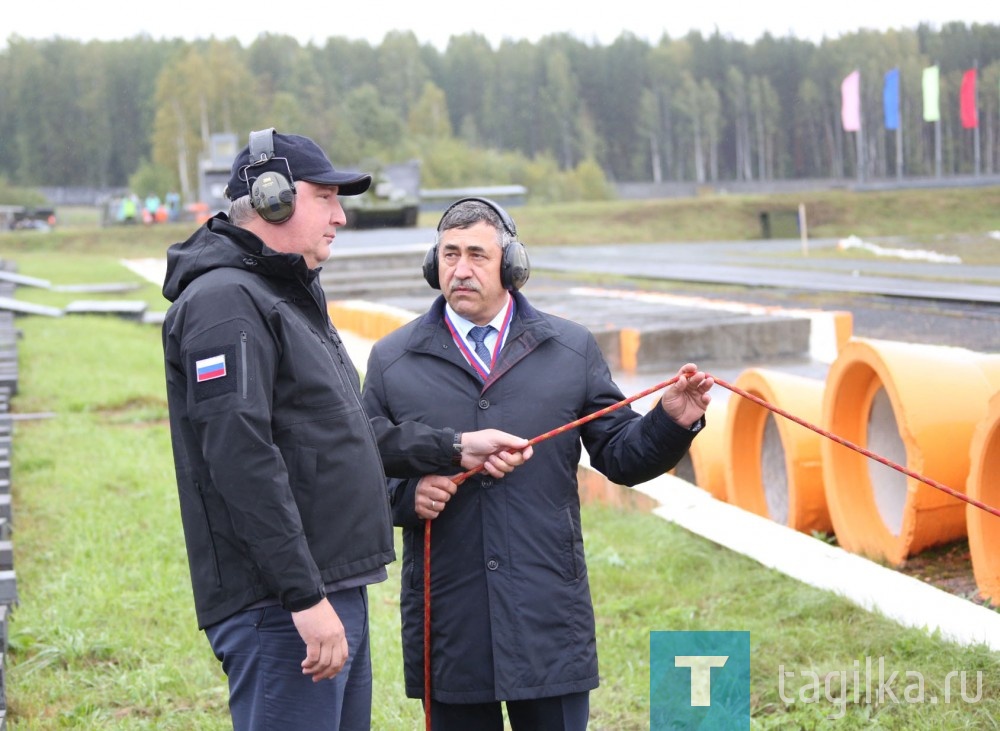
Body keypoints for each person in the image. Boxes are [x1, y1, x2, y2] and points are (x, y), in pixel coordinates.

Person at [161, 130, 530, 731]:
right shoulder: (225, 305)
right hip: (282, 604)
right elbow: (241, 462)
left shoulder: (282, 292)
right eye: (326, 197)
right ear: (273, 198)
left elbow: (341, 431)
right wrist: (303, 600)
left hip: (324, 587)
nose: (340, 215)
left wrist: (456, 446)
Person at [361, 197, 715, 730]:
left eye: (477, 255)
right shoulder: (392, 361)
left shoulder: (569, 349)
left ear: (511, 264)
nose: (460, 269)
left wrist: (669, 422)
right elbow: (362, 464)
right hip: (451, 621)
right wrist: (406, 498)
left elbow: (619, 454)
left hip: (547, 615)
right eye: (449, 254)